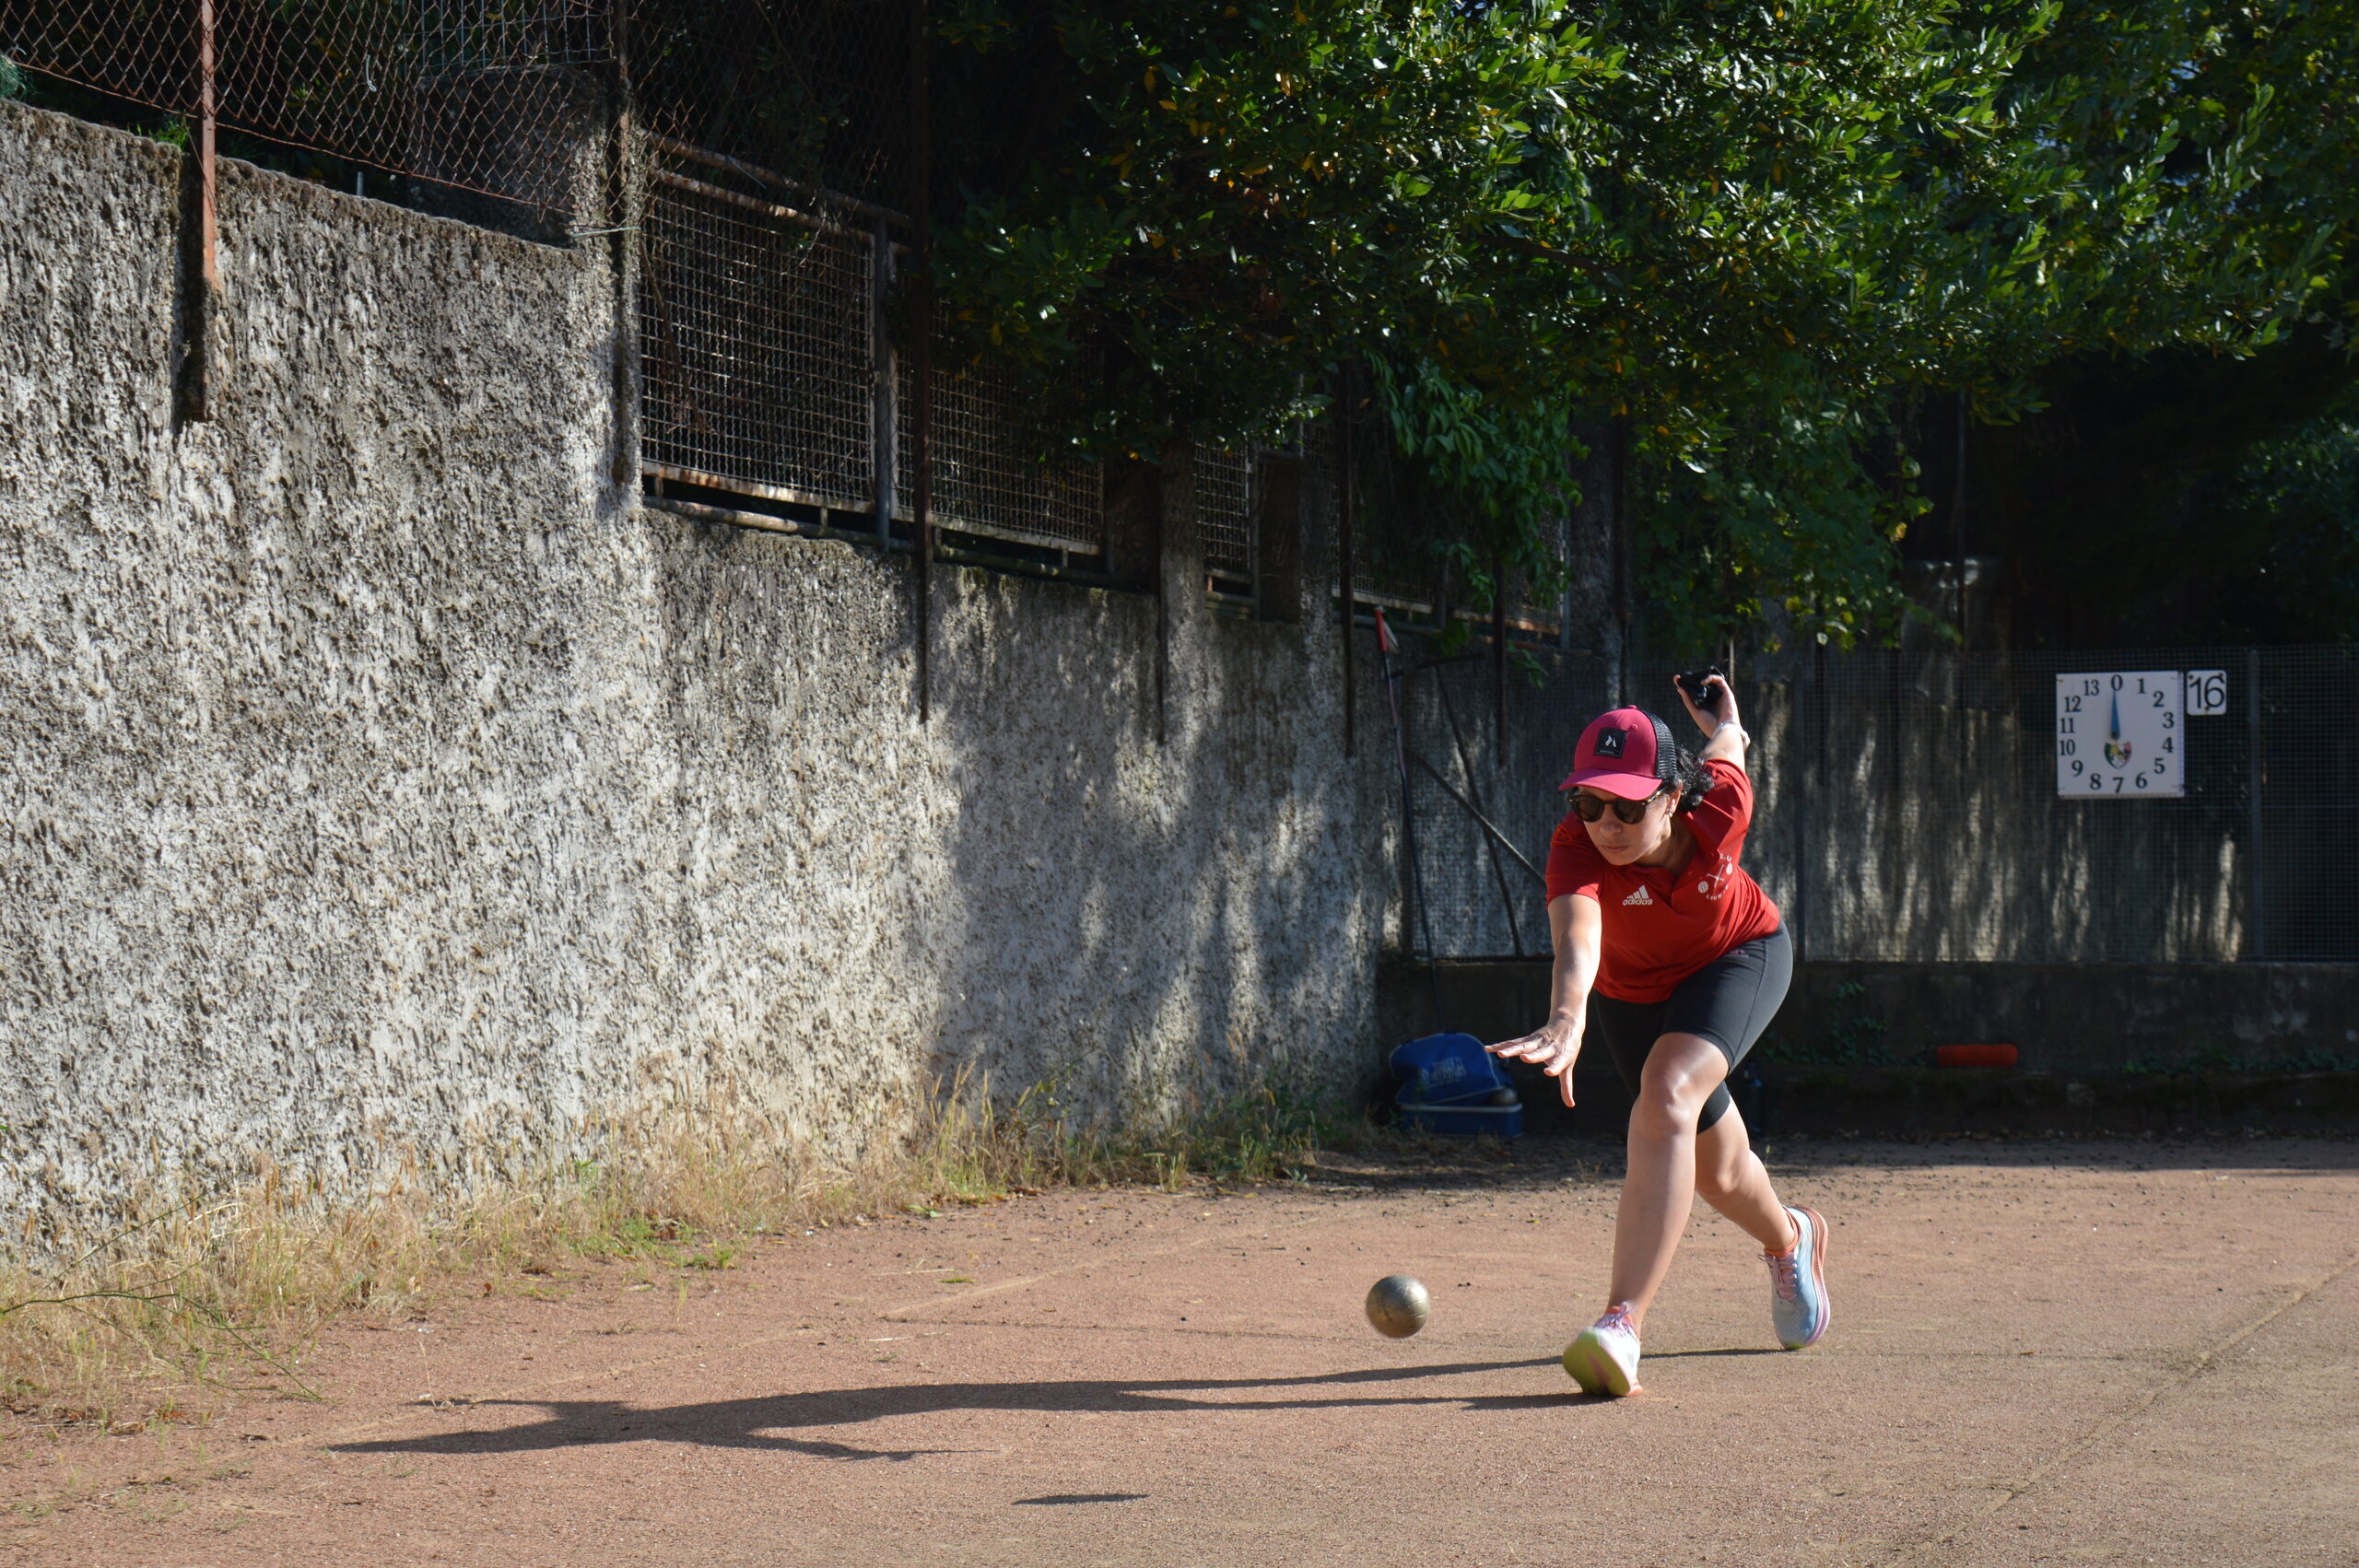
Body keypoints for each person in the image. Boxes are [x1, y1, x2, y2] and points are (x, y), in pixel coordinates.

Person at [1488, 674, 1828, 1396]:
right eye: (1588, 801)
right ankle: (1791, 1239)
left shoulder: (1722, 806)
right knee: (1719, 1171)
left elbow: (1729, 748)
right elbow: (1578, 939)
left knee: (1667, 1093)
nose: (1604, 822)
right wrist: (1567, 1015)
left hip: (1738, 957)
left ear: (1673, 796)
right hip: (1631, 991)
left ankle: (1622, 1323)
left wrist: (1726, 718)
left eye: (1626, 804)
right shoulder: (1576, 845)